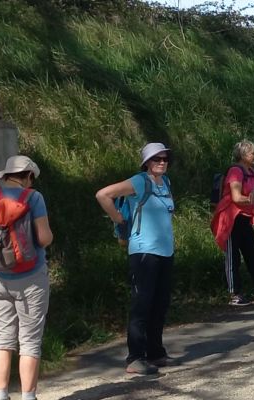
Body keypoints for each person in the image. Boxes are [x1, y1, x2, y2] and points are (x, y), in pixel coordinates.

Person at [0, 156, 54, 400]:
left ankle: (1, 396)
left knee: (2, 339)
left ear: (5, 175)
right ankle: (28, 397)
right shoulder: (34, 198)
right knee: (30, 341)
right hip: (31, 278)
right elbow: (44, 238)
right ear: (28, 177)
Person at [94, 142, 177, 375]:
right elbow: (103, 195)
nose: (161, 162)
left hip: (165, 251)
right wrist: (119, 218)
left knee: (160, 304)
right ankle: (135, 358)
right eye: (156, 159)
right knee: (142, 304)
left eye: (164, 158)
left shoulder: (166, 182)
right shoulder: (140, 181)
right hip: (143, 252)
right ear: (146, 162)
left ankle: (155, 352)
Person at [213, 139, 254, 306]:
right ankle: (235, 294)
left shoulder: (252, 171)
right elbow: (236, 198)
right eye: (252, 152)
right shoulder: (235, 171)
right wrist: (252, 199)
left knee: (253, 253)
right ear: (242, 155)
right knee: (233, 256)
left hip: (246, 217)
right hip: (231, 217)